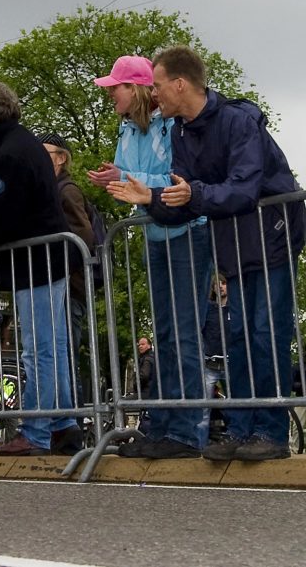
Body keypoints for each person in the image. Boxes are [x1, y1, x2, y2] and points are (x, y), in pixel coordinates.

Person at [109, 45, 305, 462]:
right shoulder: (181, 131)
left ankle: (270, 431)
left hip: (271, 235)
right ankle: (241, 429)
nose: (153, 93)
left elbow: (243, 187)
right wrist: (151, 197)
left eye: (158, 85)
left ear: (180, 84)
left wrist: (190, 194)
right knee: (238, 336)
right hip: (233, 241)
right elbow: (184, 197)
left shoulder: (239, 120)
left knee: (265, 332)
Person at [89, 53, 210, 459]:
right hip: (155, 236)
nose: (110, 95)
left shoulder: (173, 125)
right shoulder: (127, 129)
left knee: (183, 333)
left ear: (137, 89)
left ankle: (187, 431)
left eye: (116, 87)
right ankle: (161, 424)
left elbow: (178, 181)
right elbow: (133, 188)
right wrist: (115, 180)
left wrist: (125, 178)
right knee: (164, 335)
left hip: (188, 233)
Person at [0, 82, 76, 457]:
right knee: (53, 347)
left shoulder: (10, 152)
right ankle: (63, 426)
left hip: (37, 262)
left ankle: (37, 432)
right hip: (46, 258)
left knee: (39, 350)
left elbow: (7, 214)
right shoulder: (22, 144)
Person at [36, 131, 93, 440]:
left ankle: (72, 427)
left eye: (44, 152)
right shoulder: (49, 189)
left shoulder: (67, 191)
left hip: (68, 288)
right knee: (56, 356)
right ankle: (62, 426)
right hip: (58, 286)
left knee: (65, 356)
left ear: (61, 158)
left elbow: (83, 236)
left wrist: (57, 267)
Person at [199, 277, 230, 445]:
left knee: (237, 405)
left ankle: (236, 439)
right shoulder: (207, 309)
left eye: (224, 283)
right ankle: (200, 445)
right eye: (216, 284)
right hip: (209, 364)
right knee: (203, 410)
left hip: (231, 364)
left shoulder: (235, 308)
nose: (220, 286)